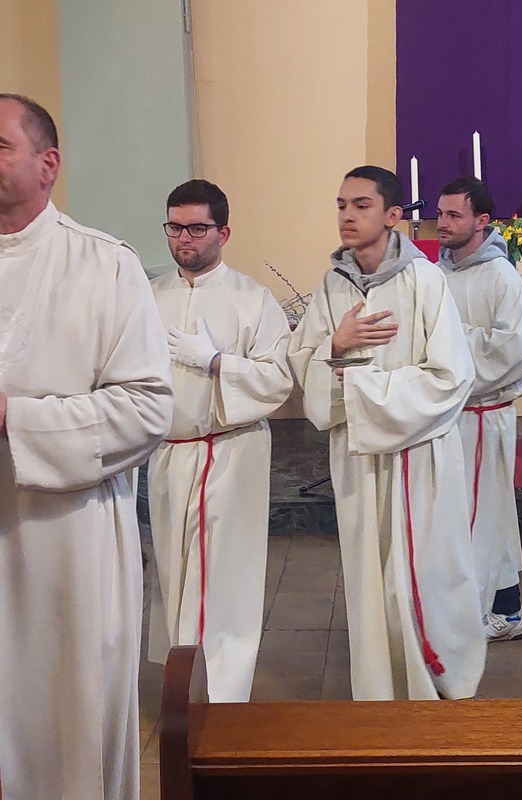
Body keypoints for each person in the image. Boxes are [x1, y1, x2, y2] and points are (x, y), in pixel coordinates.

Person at [0, 94, 172, 799]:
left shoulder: (103, 265)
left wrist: (14, 420)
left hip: (65, 541)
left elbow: (147, 408)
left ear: (49, 165)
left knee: (65, 725)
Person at [288, 165, 486, 700]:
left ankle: (441, 683)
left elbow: (451, 377)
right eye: (341, 205)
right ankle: (379, 689)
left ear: (393, 215)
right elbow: (302, 362)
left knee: (427, 574)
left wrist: (363, 388)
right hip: (356, 456)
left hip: (416, 455)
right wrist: (334, 345)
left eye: (361, 205)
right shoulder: (332, 285)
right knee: (367, 577)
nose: (347, 216)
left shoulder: (424, 280)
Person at [147, 179, 293, 702]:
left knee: (223, 578)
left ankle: (224, 697)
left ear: (223, 233)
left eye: (196, 228)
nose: (183, 238)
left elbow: (279, 378)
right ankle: (185, 686)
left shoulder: (253, 300)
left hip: (230, 450)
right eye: (175, 227)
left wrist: (215, 362)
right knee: (175, 572)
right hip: (169, 453)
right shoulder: (149, 297)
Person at [436, 177, 522, 641]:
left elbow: (515, 350)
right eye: (440, 214)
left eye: (454, 215)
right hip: (446, 415)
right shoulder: (436, 274)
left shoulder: (501, 277)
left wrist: (447, 341)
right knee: (479, 519)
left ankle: (471, 620)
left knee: (479, 518)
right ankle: (507, 610)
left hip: (482, 414)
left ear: (482, 221)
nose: (442, 223)